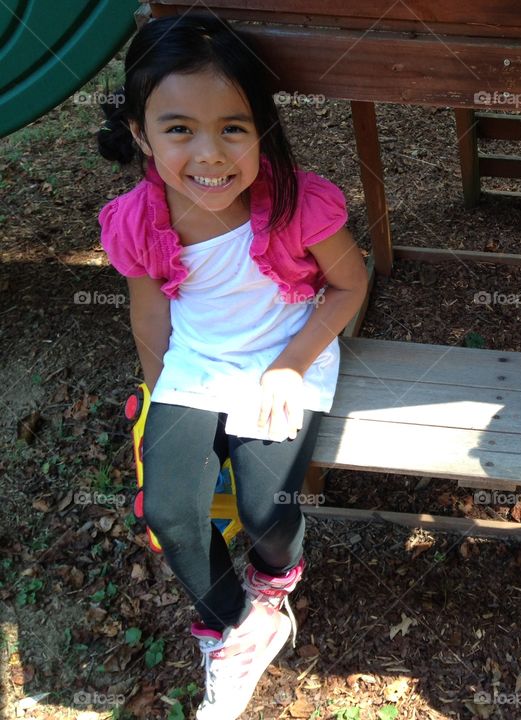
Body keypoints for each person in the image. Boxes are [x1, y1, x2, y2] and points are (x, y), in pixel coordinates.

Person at [97, 14, 367, 718]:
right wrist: (163, 400)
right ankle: (241, 628)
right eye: (179, 128)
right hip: (194, 361)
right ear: (140, 133)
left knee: (264, 509)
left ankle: (275, 580)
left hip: (286, 352)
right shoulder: (135, 220)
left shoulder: (300, 204)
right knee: (170, 510)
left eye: (233, 128)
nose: (209, 154)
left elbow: (349, 285)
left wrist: (290, 365)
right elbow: (149, 317)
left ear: (262, 130)